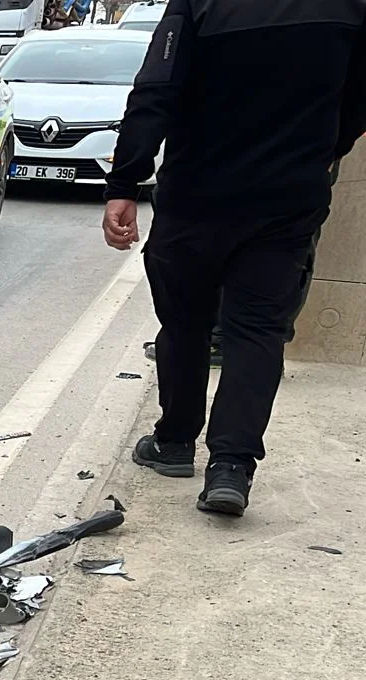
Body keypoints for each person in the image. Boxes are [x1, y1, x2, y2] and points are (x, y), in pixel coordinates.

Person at [103, 0, 366, 517]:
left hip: (196, 194)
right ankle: (230, 466)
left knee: (185, 322)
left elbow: (156, 91)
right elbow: (357, 96)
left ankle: (175, 441)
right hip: (288, 198)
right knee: (257, 329)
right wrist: (323, 149)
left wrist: (125, 182)